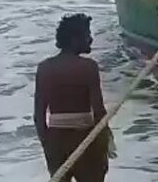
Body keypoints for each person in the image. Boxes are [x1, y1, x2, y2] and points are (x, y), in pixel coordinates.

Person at [34, 13, 113, 181]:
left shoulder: (44, 68)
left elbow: (38, 115)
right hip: (84, 138)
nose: (91, 39)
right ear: (74, 39)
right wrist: (105, 140)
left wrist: (47, 144)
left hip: (54, 140)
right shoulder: (88, 67)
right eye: (87, 35)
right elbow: (98, 110)